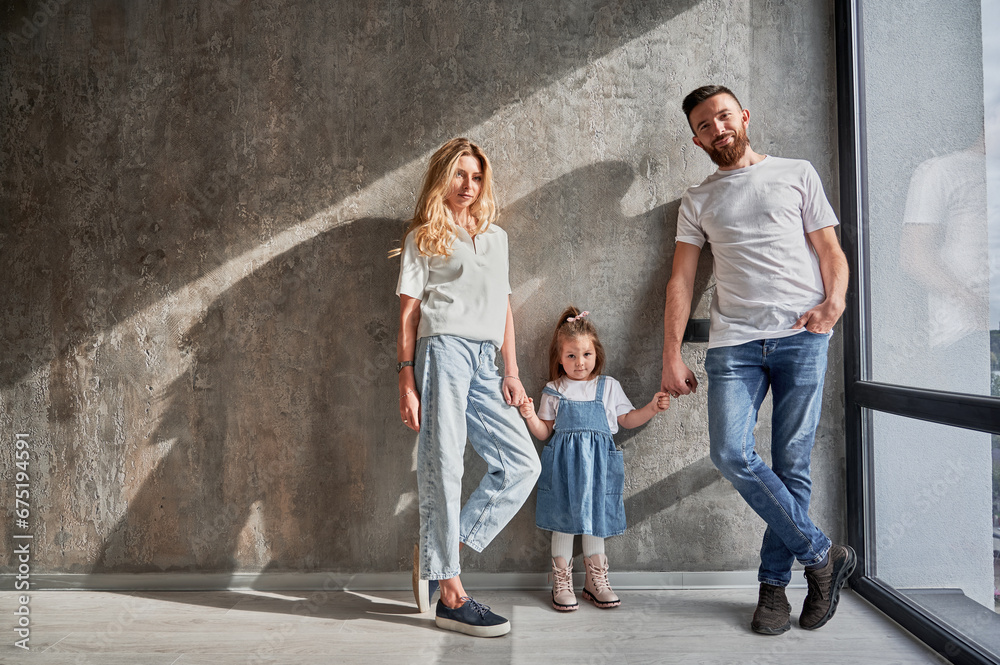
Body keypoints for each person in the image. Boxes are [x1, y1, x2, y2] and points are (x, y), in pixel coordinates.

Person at [660, 85, 856, 635]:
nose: (717, 128)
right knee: (730, 452)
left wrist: (833, 305)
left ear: (743, 116)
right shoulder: (697, 199)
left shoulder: (797, 172)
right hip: (734, 345)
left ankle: (774, 591)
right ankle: (822, 556)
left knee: (791, 466)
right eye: (705, 125)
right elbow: (681, 279)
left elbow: (830, 252)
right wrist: (670, 353)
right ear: (696, 139)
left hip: (802, 336)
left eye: (724, 116)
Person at [395, 137, 541, 638]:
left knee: (523, 464)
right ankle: (451, 595)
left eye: (477, 176)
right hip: (443, 351)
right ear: (443, 178)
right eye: (459, 175)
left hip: (485, 359)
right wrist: (406, 377)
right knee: (445, 462)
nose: (468, 186)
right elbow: (410, 312)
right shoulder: (424, 236)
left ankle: (441, 552)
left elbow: (503, 308)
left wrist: (513, 372)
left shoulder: (496, 238)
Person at [518, 307, 670, 611]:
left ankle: (595, 580)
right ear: (560, 358)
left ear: (596, 354)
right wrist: (529, 415)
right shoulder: (554, 390)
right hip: (563, 469)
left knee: (595, 520)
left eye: (586, 354)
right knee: (562, 521)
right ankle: (561, 580)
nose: (579, 362)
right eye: (571, 356)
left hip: (598, 469)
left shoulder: (608, 386)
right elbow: (544, 432)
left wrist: (651, 408)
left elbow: (626, 419)